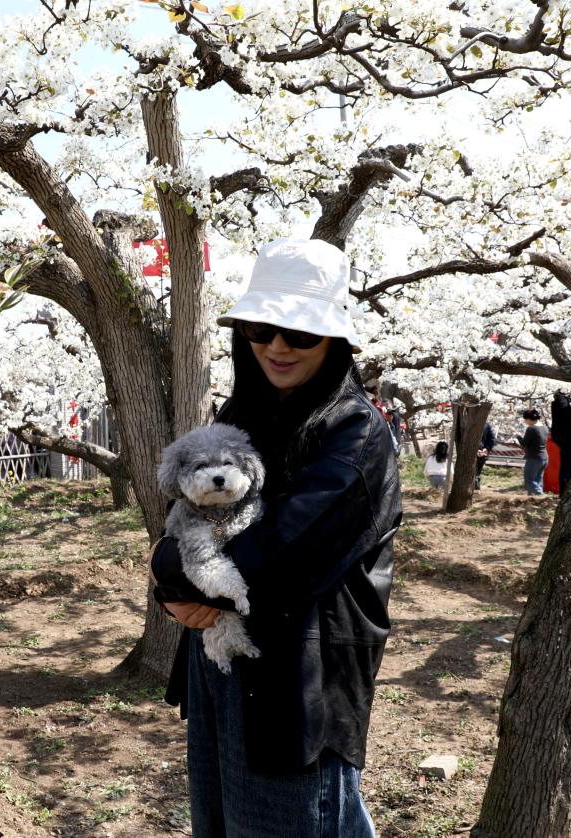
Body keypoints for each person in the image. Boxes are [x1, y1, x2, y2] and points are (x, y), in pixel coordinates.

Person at [150, 238, 400, 837]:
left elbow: (283, 553)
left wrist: (172, 575)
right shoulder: (241, 417)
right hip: (220, 663)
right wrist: (170, 583)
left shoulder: (357, 434)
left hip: (297, 682)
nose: (278, 346)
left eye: (301, 333)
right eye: (261, 329)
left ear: (335, 340)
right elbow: (181, 514)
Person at [550, 390, 571, 493]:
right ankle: (570, 490)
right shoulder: (560, 397)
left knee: (566, 464)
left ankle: (565, 491)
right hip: (564, 437)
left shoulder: (568, 399)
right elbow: (566, 411)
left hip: (568, 437)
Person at [517, 408, 548, 497]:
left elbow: (524, 443)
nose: (525, 422)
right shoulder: (545, 428)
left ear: (529, 419)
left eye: (525, 419)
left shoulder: (532, 429)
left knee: (529, 480)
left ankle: (540, 495)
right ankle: (534, 498)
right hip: (544, 457)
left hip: (534, 458)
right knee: (538, 479)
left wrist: (518, 437)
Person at [474, 421, 496, 489]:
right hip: (482, 451)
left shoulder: (471, 423)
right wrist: (486, 449)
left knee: (476, 470)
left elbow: (492, 439)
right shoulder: (486, 425)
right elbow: (492, 439)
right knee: (478, 470)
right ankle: (476, 484)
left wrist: (485, 449)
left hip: (479, 452)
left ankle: (475, 483)